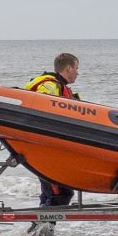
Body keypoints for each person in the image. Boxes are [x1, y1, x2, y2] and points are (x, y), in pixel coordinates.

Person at [24, 53, 79, 210]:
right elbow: (43, 114)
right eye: (76, 68)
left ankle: (43, 223)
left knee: (55, 193)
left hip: (50, 150)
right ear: (68, 68)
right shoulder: (50, 86)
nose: (77, 73)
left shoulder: (60, 87)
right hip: (47, 149)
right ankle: (41, 223)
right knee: (60, 194)